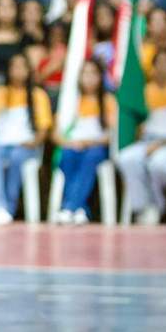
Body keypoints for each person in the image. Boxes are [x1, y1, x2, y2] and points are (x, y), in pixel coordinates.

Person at [117, 49, 166, 225]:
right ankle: (141, 208)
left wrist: (160, 144)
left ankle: (159, 207)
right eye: (158, 63)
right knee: (127, 158)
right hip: (148, 142)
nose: (162, 67)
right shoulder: (145, 91)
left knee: (158, 165)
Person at [0, 54, 52, 224]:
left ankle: (9, 205)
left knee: (16, 157)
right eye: (14, 67)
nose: (18, 71)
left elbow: (44, 128)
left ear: (29, 71)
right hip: (3, 142)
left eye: (22, 67)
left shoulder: (38, 95)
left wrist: (34, 142)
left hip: (27, 145)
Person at [54, 58, 117, 225]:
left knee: (90, 157)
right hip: (73, 146)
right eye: (85, 74)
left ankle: (69, 207)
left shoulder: (108, 101)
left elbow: (111, 135)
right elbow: (56, 134)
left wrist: (88, 142)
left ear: (100, 77)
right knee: (67, 156)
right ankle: (80, 209)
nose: (89, 78)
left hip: (96, 148)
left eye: (93, 74)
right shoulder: (71, 102)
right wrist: (69, 143)